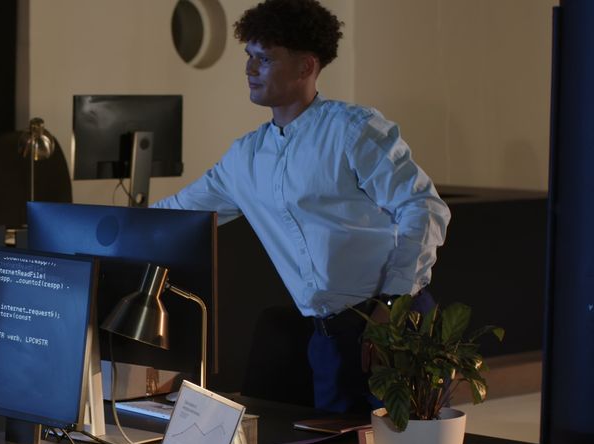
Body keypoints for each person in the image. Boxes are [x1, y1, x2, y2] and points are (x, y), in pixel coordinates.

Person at [154, 0, 450, 413]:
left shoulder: (354, 130)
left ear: (305, 67)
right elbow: (175, 213)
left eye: (264, 58)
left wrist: (391, 306)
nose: (249, 69)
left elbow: (424, 207)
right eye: (248, 57)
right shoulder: (246, 157)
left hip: (394, 318)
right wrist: (95, 227)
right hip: (329, 333)